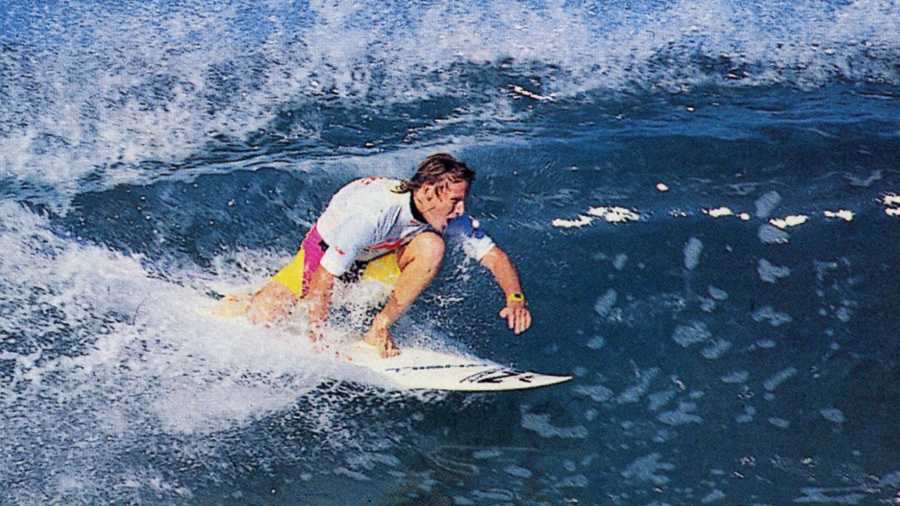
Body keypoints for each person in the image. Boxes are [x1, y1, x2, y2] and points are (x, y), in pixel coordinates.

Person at [245, 153, 532, 358]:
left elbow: (495, 257)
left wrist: (515, 298)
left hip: (376, 257)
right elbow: (326, 273)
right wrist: (318, 339)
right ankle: (247, 299)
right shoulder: (373, 214)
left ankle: (378, 328)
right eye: (455, 200)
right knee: (261, 318)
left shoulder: (445, 215)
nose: (460, 210)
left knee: (432, 246)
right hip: (323, 252)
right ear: (429, 191)